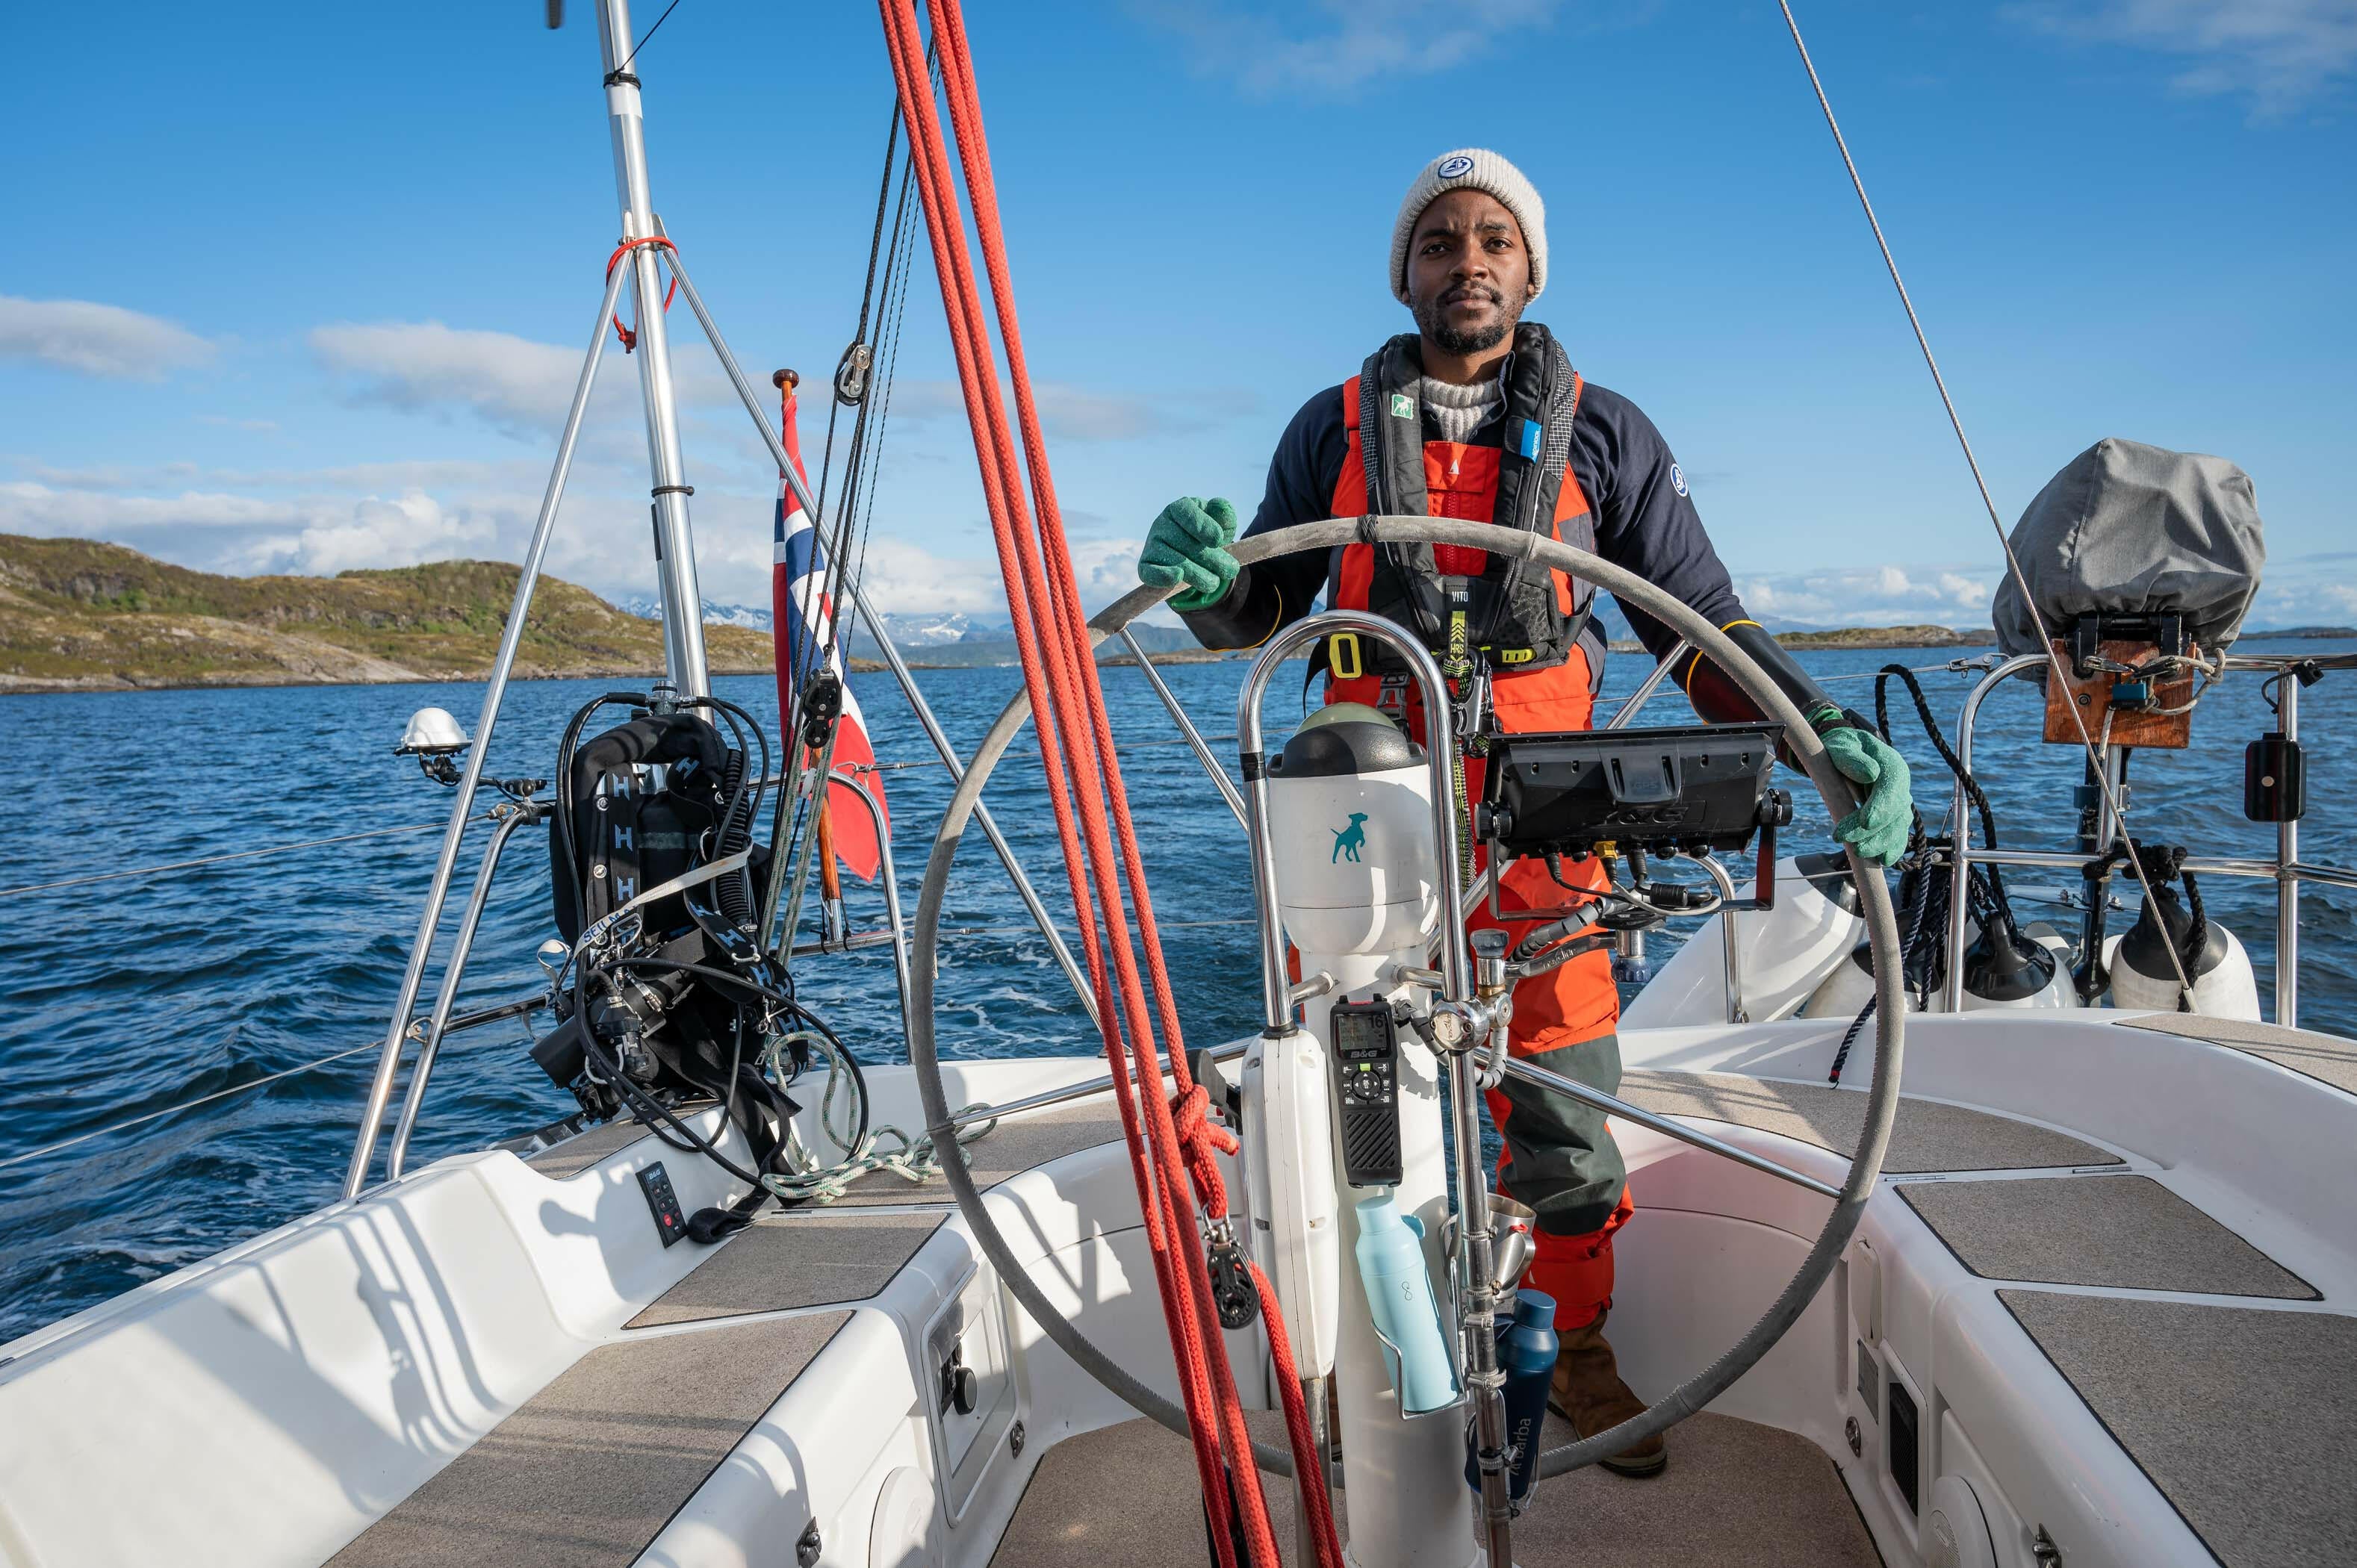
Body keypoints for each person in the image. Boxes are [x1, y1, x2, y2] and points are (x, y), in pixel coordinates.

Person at [1137, 148, 1910, 1477]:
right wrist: (1207, 582)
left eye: (1494, 238)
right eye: (1440, 242)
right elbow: (1258, 608)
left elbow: (1701, 617)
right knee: (1342, 1083)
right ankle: (1347, 1366)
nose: (1469, 260)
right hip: (1365, 809)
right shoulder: (1327, 429)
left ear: (1530, 267)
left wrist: (1815, 726)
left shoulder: (1607, 432)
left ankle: (1582, 1349)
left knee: (1565, 1097)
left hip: (1549, 825)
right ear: (1407, 273)